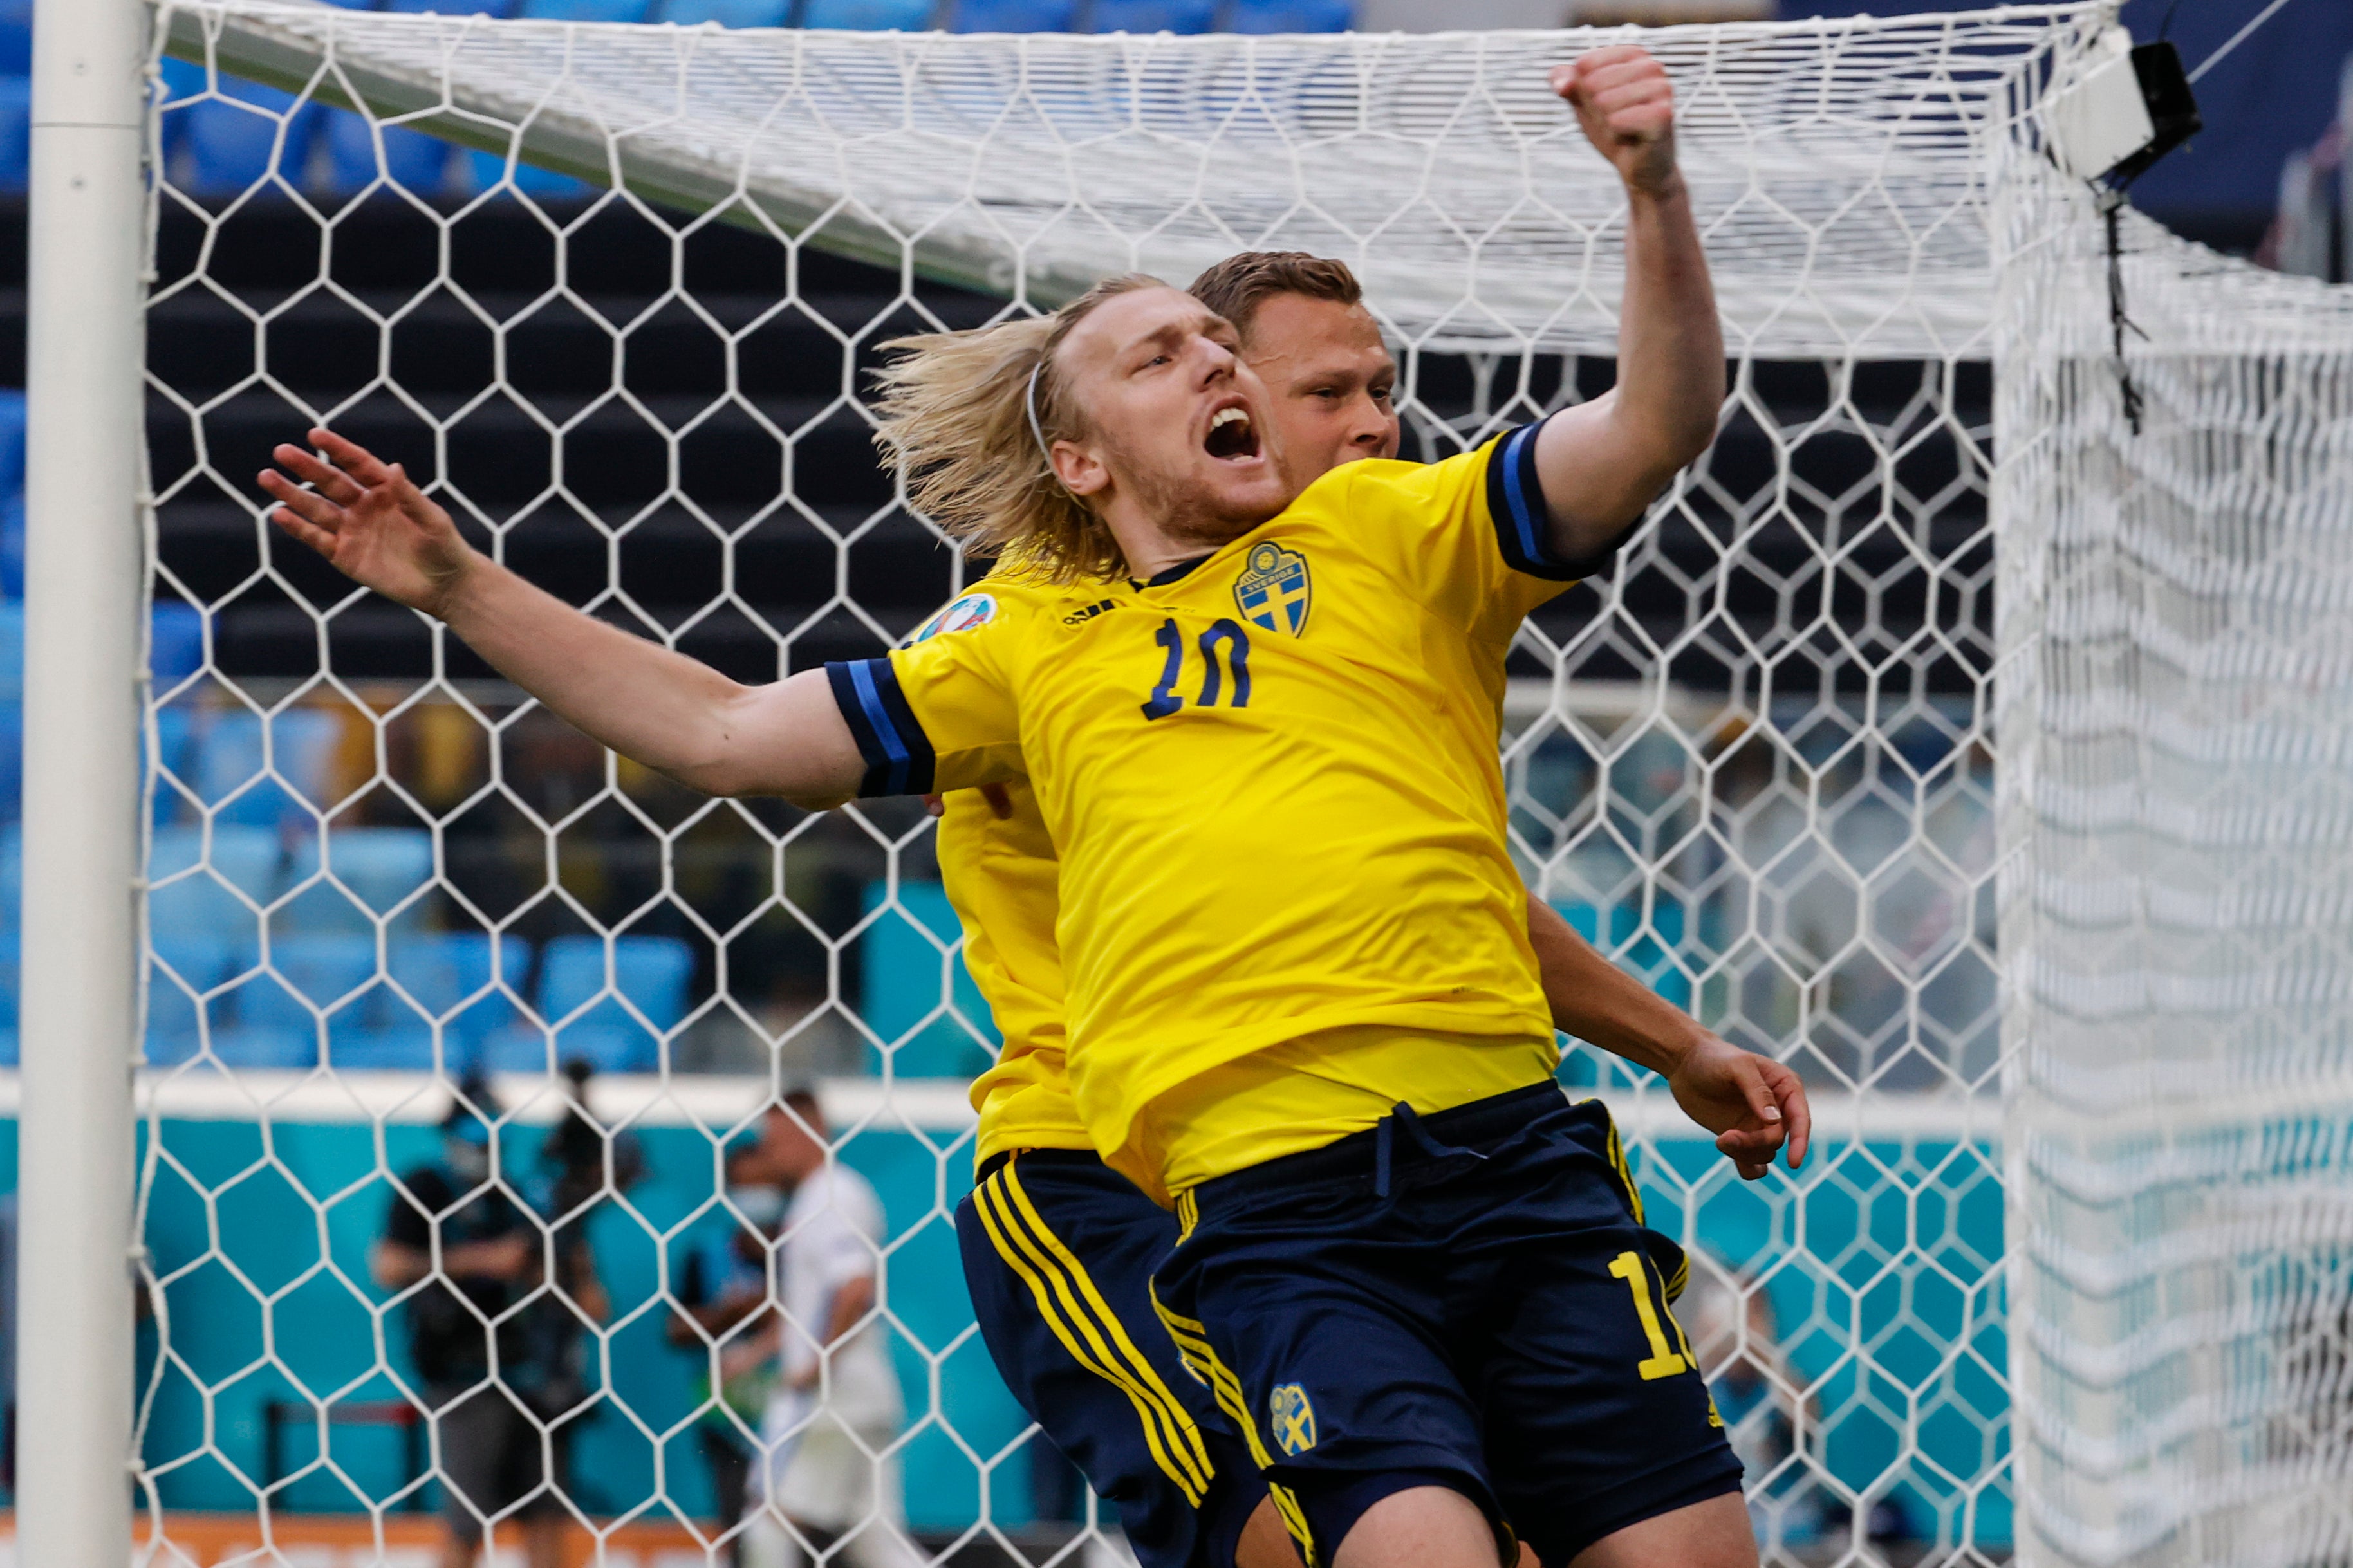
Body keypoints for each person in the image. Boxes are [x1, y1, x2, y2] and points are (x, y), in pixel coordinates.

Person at [262, 44, 1780, 1567]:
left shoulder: (1395, 542)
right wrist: (457, 583)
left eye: (1220, 349)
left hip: (1509, 1148)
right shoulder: (1024, 644)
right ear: (1077, 457)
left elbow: (1644, 437)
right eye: (1166, 356)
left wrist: (1651, 188)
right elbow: (721, 730)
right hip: (1213, 1179)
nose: (1242, 378)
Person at [935, 249, 1809, 1568]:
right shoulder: (1037, 626)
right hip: (1109, 1165)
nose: (1374, 426)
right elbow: (732, 734)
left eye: (1381, 390)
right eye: (1328, 392)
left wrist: (1678, 1045)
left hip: (1393, 1146)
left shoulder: (1332, 587)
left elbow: (1439, 896)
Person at [375, 1080, 594, 1568]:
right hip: (464, 1375)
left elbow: (591, 1301)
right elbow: (387, 1265)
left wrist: (555, 1265)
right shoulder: (427, 1186)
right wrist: (481, 1259)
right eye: (476, 1137)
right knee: (468, 1520)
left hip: (535, 1378)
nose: (485, 1149)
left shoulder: (519, 1196)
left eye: (492, 1138)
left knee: (547, 1518)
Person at [730, 1090, 919, 1568]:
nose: (768, 1151)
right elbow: (804, 1305)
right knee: (878, 1542)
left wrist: (815, 1363)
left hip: (828, 1400)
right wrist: (753, 1354)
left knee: (767, 1518)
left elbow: (855, 1287)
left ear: (806, 1130)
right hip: (863, 1396)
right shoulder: (817, 1197)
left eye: (774, 1138)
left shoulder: (834, 1194)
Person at [668, 1145, 788, 1566]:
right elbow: (675, 1328)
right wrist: (732, 1311)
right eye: (746, 1185)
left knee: (796, 1529)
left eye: (765, 1184)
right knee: (739, 1530)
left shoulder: (801, 1248)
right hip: (726, 1416)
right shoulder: (706, 1252)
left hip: (794, 1414)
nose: (756, 1194)